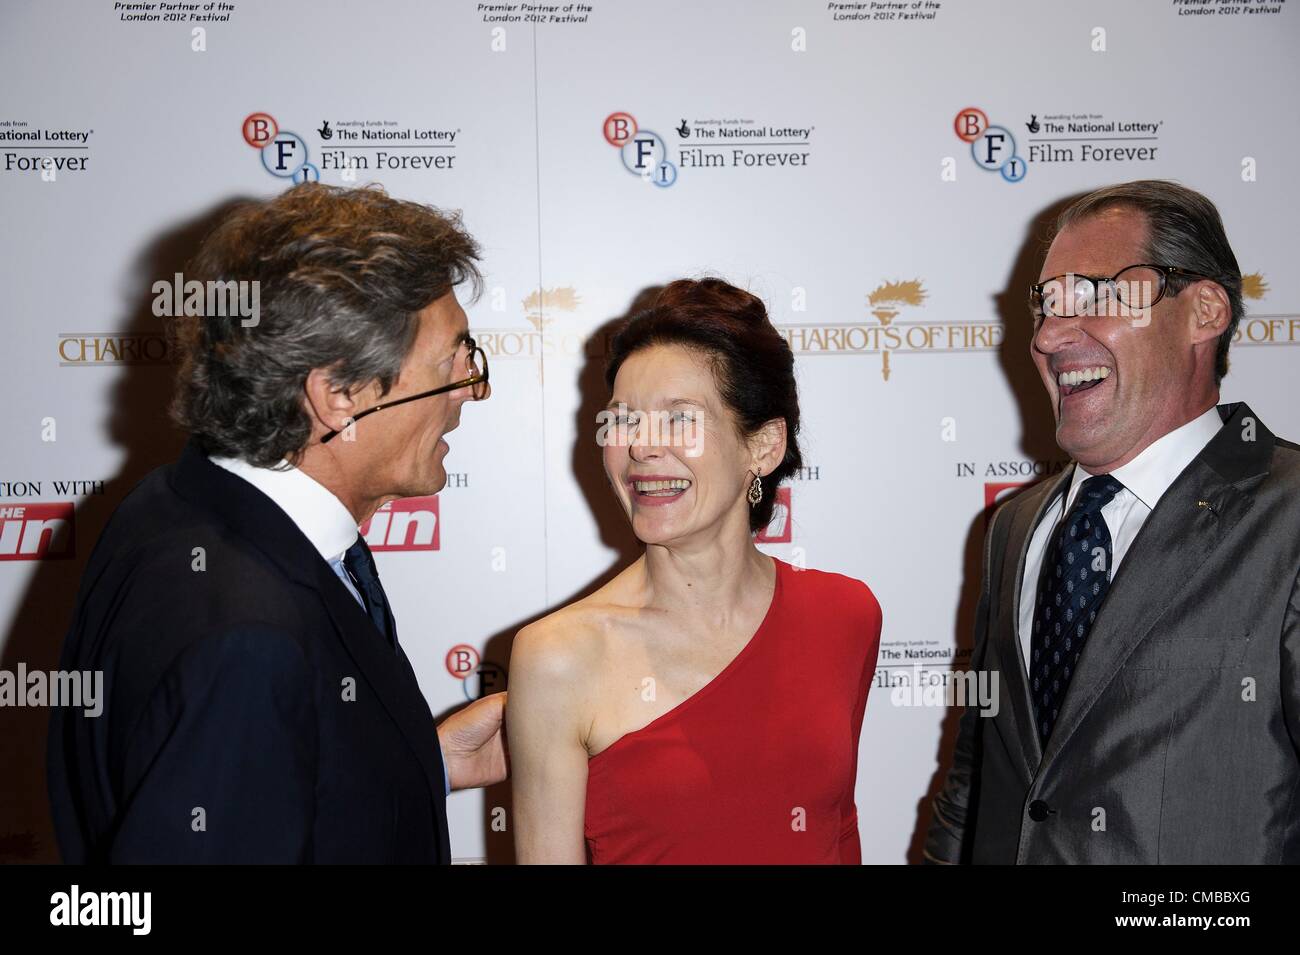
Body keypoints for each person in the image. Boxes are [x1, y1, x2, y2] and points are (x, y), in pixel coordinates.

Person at [47, 182, 506, 863]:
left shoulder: (176, 502)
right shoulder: (247, 640)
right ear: (339, 395)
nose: (475, 388)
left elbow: (266, 787)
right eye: (453, 363)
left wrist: (420, 764)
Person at [924, 180, 1300, 864]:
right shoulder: (1014, 528)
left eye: (1095, 295)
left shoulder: (1288, 515)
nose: (1048, 335)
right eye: (1047, 304)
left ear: (1204, 311)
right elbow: (975, 782)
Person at [508, 278, 883, 864]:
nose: (641, 448)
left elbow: (836, 835)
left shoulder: (845, 615)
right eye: (622, 421)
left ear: (763, 446)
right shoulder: (558, 656)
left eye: (680, 419)